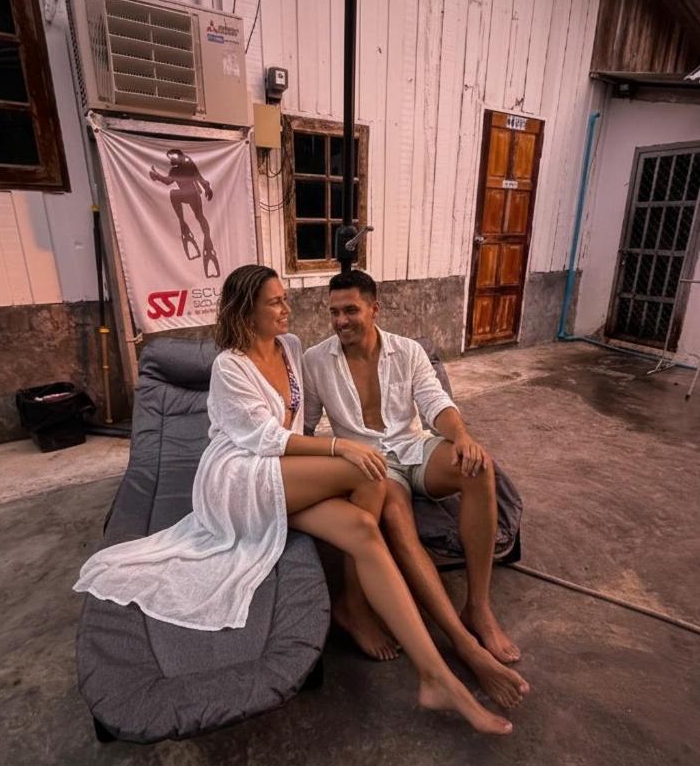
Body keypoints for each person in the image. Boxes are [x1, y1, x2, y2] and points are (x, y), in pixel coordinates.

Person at [74, 264, 516, 735]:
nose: (289, 308)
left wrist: (344, 451)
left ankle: (434, 676)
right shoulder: (230, 366)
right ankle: (363, 610)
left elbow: (300, 422)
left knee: (364, 528)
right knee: (364, 469)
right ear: (248, 310)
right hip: (237, 476)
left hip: (279, 473)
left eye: (285, 298)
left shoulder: (290, 348)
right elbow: (264, 436)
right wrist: (338, 447)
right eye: (276, 302)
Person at [303, 269, 530, 708]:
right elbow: (306, 425)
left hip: (413, 446)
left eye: (351, 310)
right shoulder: (316, 360)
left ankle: (478, 607)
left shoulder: (407, 351)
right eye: (333, 312)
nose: (341, 321)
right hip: (372, 464)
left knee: (480, 468)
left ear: (374, 309)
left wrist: (462, 437)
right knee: (394, 514)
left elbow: (435, 402)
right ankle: (461, 642)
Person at [149, 148, 219, 277]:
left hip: (193, 194)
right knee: (173, 194)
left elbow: (199, 177)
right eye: (170, 158)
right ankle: (183, 225)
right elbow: (168, 181)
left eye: (173, 157)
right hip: (184, 194)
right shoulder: (174, 171)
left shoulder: (188, 166)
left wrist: (207, 188)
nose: (171, 160)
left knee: (199, 216)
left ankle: (207, 239)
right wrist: (157, 176)